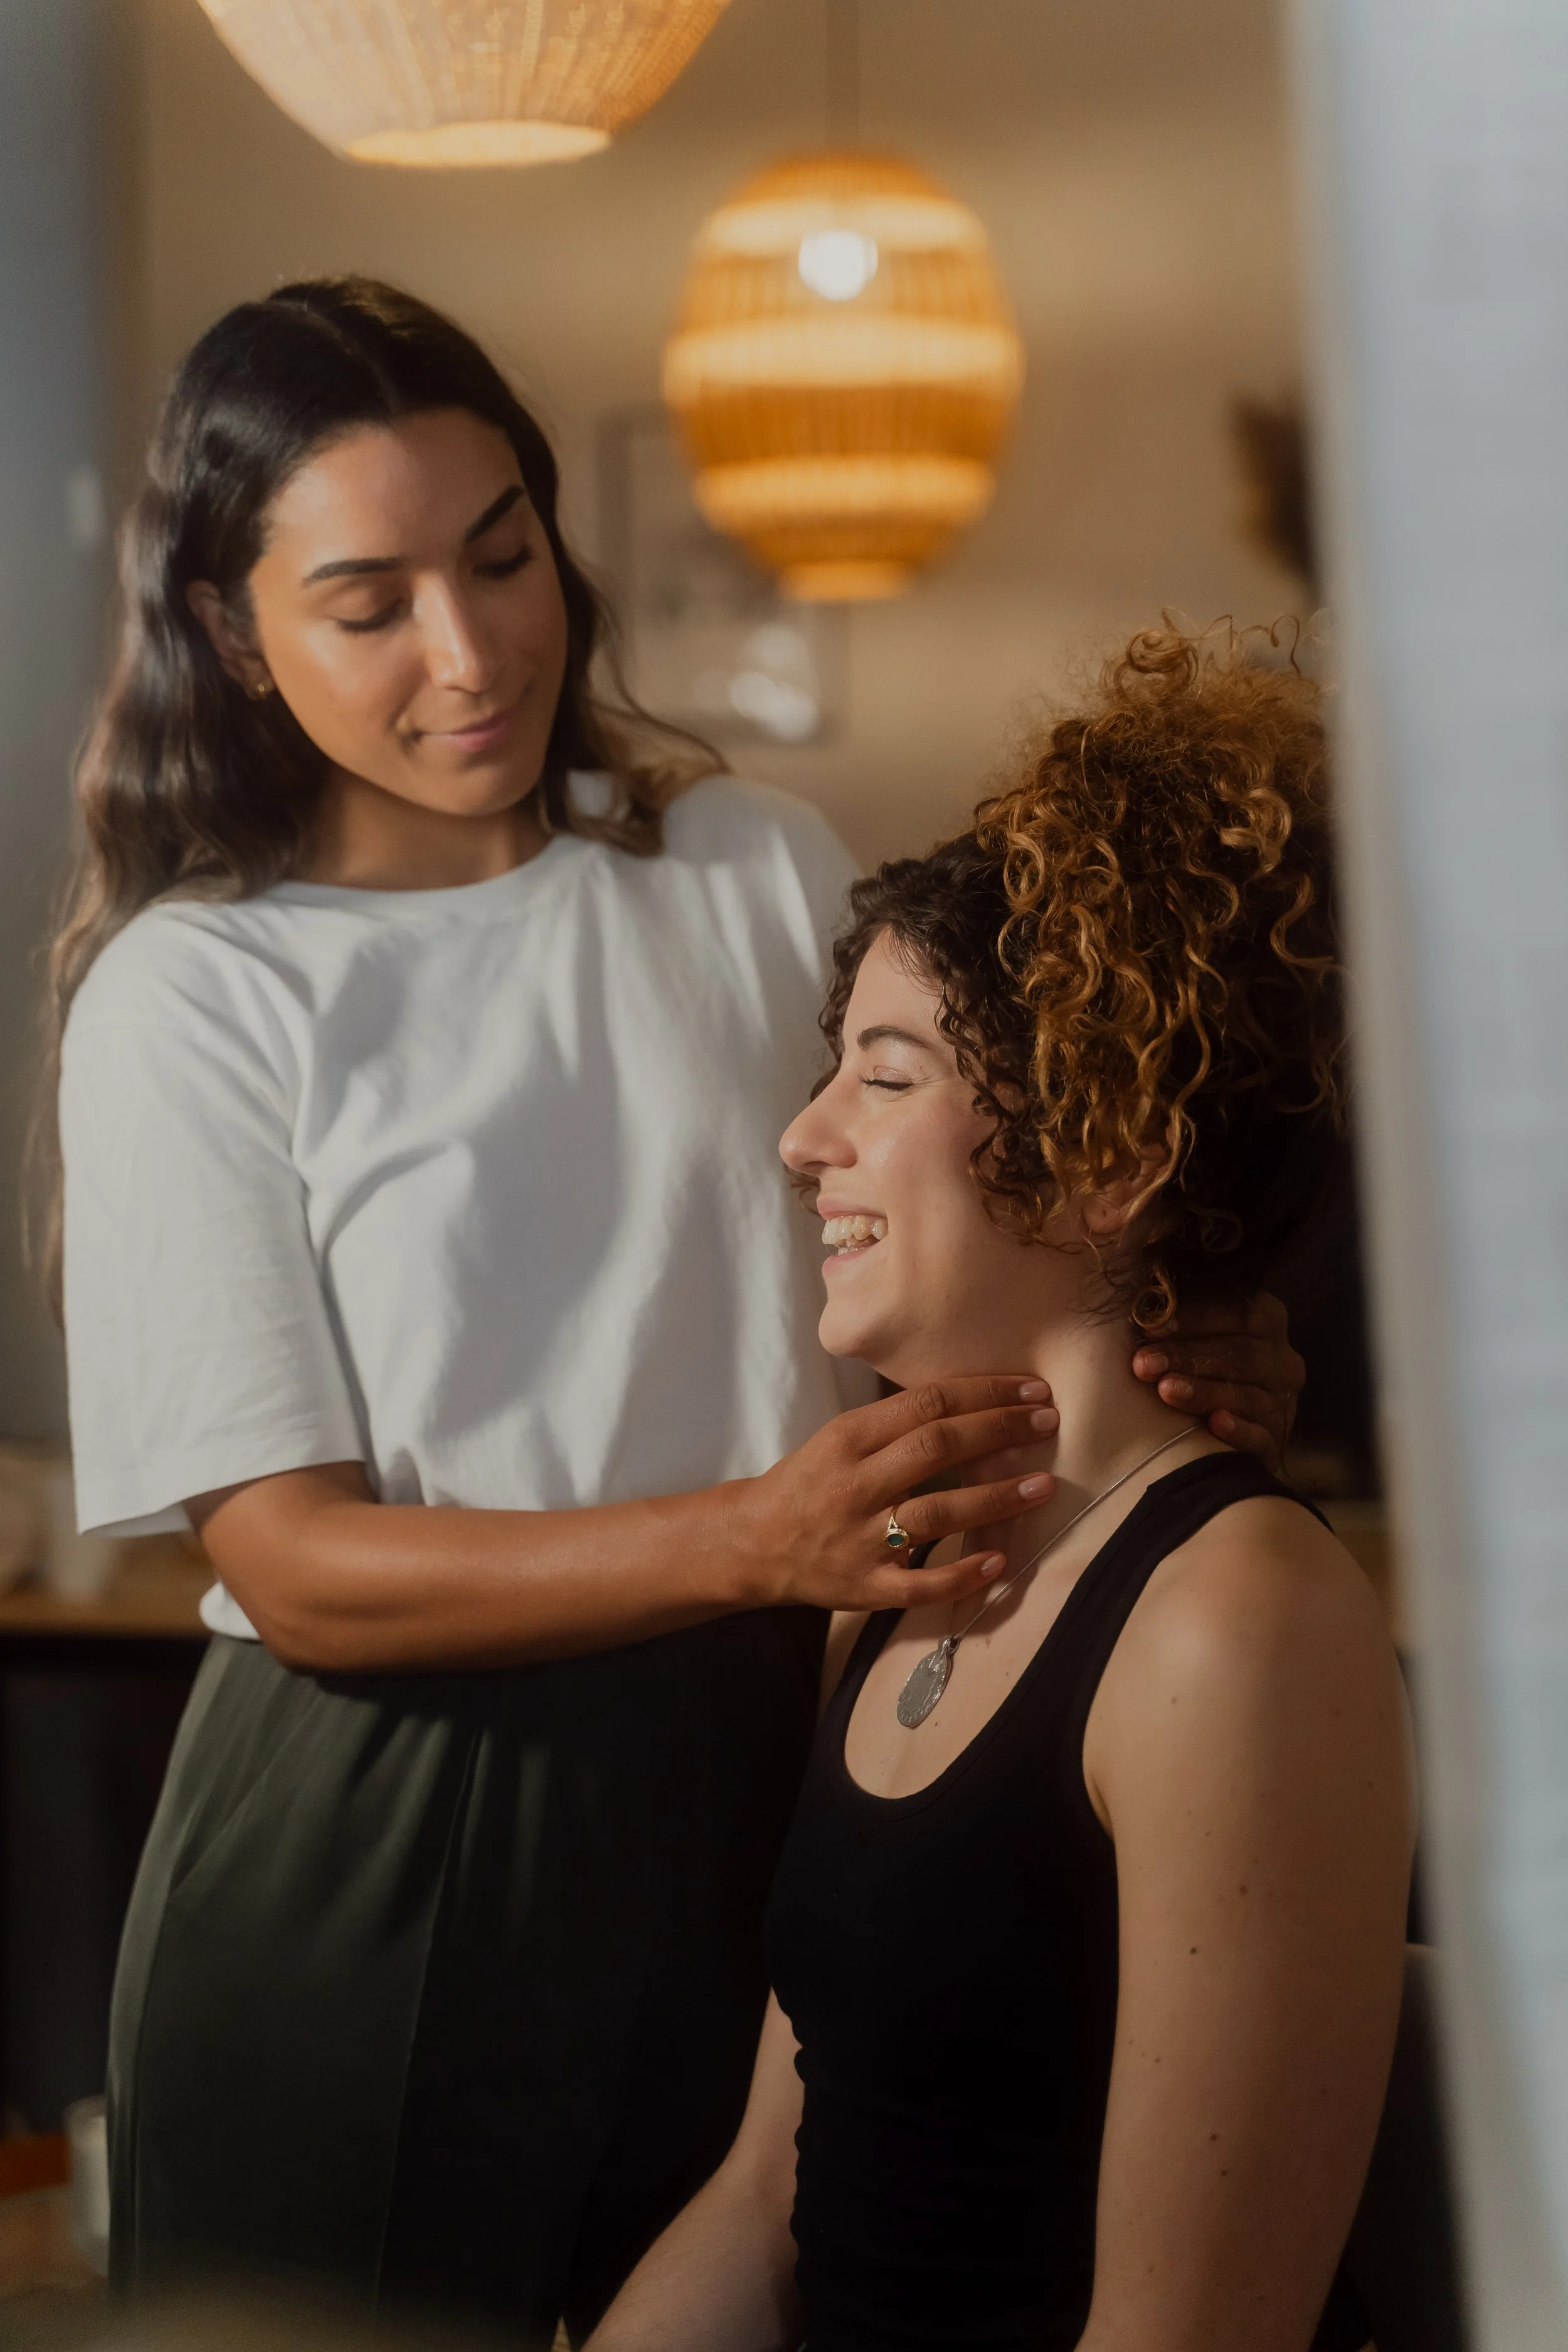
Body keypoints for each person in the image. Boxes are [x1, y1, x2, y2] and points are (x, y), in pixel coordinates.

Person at [47, 278, 1305, 2342]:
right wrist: (754, 1539)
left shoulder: (744, 862)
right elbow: (290, 1567)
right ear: (228, 630)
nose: (472, 652)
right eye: (367, 604)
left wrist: (1183, 1330)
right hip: (382, 1818)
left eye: (502, 555)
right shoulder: (200, 993)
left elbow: (948, 1237)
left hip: (780, 1760)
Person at [586, 630, 1413, 2352]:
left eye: (886, 1076)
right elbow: (766, 2199)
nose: (804, 1136)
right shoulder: (907, 1566)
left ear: (1111, 1156)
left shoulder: (1238, 1630)